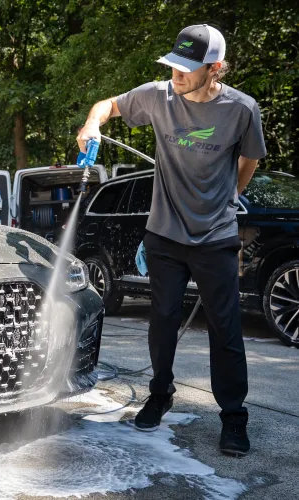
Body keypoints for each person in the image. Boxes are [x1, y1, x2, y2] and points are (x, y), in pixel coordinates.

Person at [76, 24, 266, 456]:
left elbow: (250, 157)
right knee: (162, 321)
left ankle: (234, 417)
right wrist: (92, 124)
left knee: (226, 330)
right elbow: (108, 105)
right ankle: (159, 395)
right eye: (172, 65)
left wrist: (231, 195)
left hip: (216, 236)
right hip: (163, 233)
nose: (176, 75)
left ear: (214, 69)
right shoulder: (158, 95)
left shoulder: (242, 109)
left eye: (186, 68)